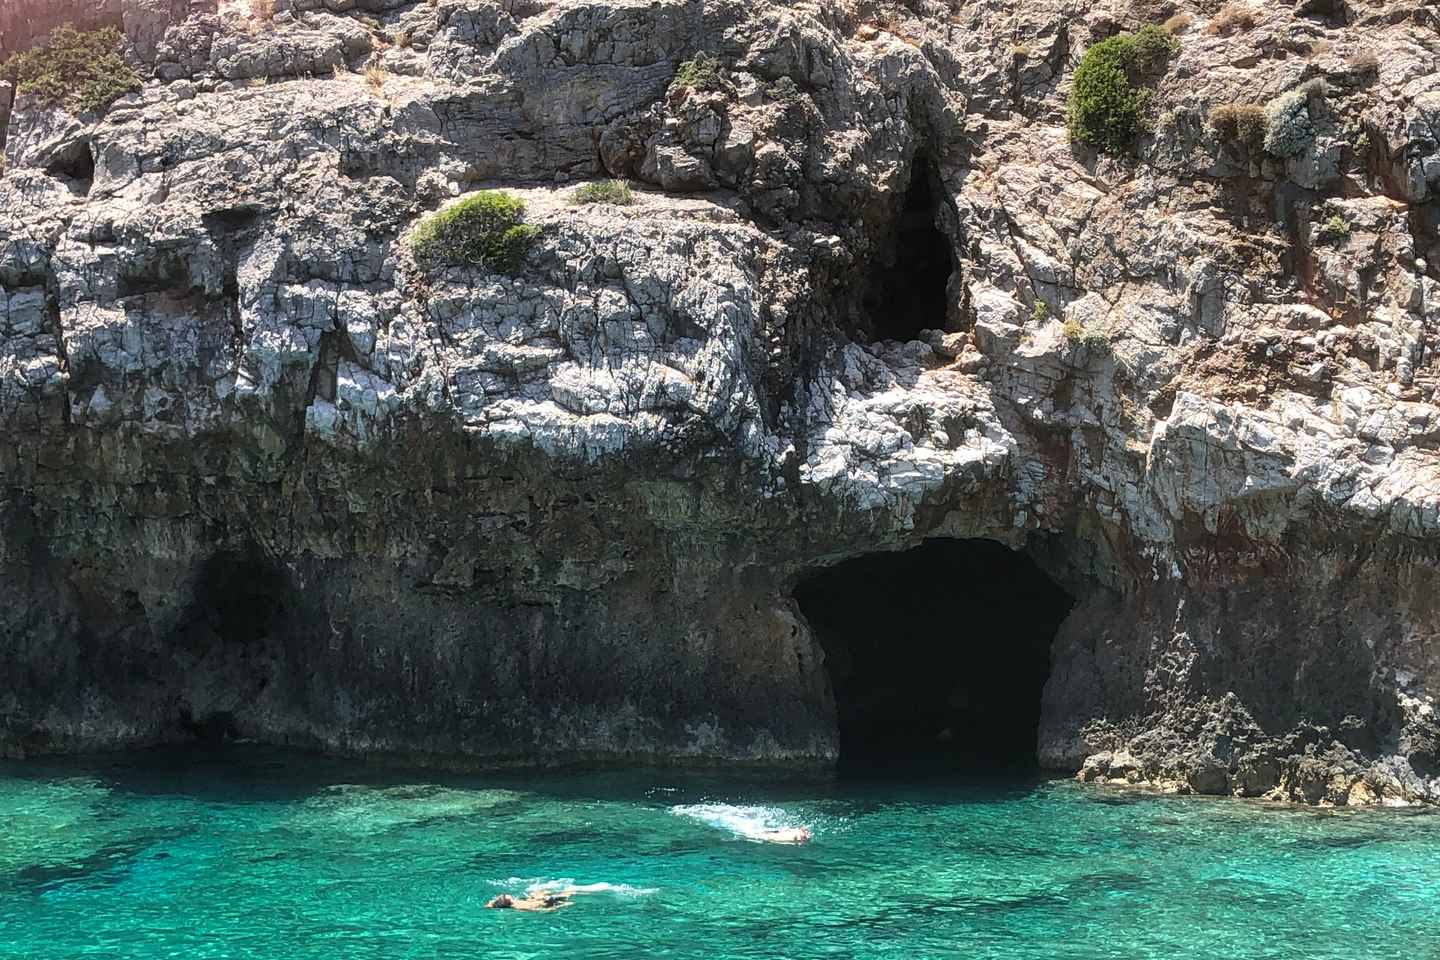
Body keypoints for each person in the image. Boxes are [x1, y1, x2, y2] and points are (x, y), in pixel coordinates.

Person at [486, 891, 573, 912]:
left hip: (543, 901)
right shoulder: (517, 906)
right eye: (501, 898)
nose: (503, 895)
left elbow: (489, 904)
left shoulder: (516, 901)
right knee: (568, 894)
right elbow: (535, 909)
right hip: (547, 902)